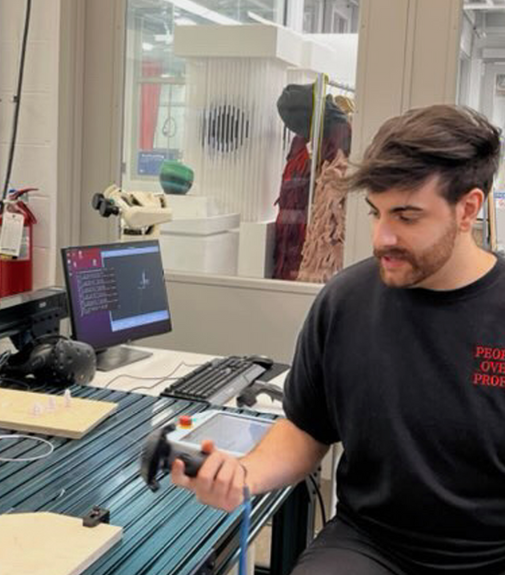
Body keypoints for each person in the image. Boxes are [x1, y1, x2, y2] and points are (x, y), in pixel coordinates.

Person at [171, 104, 505, 574]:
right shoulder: (345, 301)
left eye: (407, 217)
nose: (382, 237)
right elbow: (307, 429)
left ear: (467, 208)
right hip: (371, 544)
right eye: (376, 213)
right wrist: (245, 474)